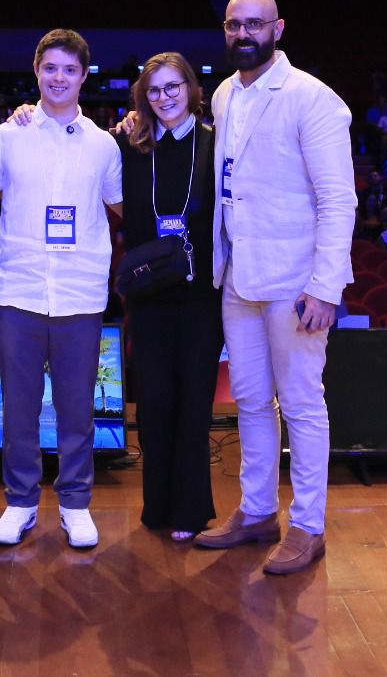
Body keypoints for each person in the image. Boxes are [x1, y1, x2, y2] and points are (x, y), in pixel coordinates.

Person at [194, 0, 355, 577]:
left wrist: (325, 286)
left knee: (304, 405)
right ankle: (258, 511)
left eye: (255, 24)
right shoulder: (223, 93)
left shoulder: (313, 98)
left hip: (296, 282)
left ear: (278, 28)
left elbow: (339, 201)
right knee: (253, 404)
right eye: (235, 24)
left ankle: (308, 525)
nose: (244, 34)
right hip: (240, 276)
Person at [0, 28, 123, 551]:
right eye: (50, 68)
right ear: (36, 71)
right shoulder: (5, 136)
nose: (59, 78)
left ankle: (75, 503)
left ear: (84, 76)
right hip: (17, 290)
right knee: (18, 405)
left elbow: (123, 207)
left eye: (69, 70)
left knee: (76, 406)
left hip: (80, 294)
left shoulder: (106, 145)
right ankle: (19, 502)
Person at [118, 53, 221, 541]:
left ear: (192, 88)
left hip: (201, 296)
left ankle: (190, 510)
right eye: (155, 90)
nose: (164, 98)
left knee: (193, 403)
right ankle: (156, 507)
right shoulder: (130, 143)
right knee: (155, 404)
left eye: (173, 87)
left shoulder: (214, 142)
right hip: (149, 296)